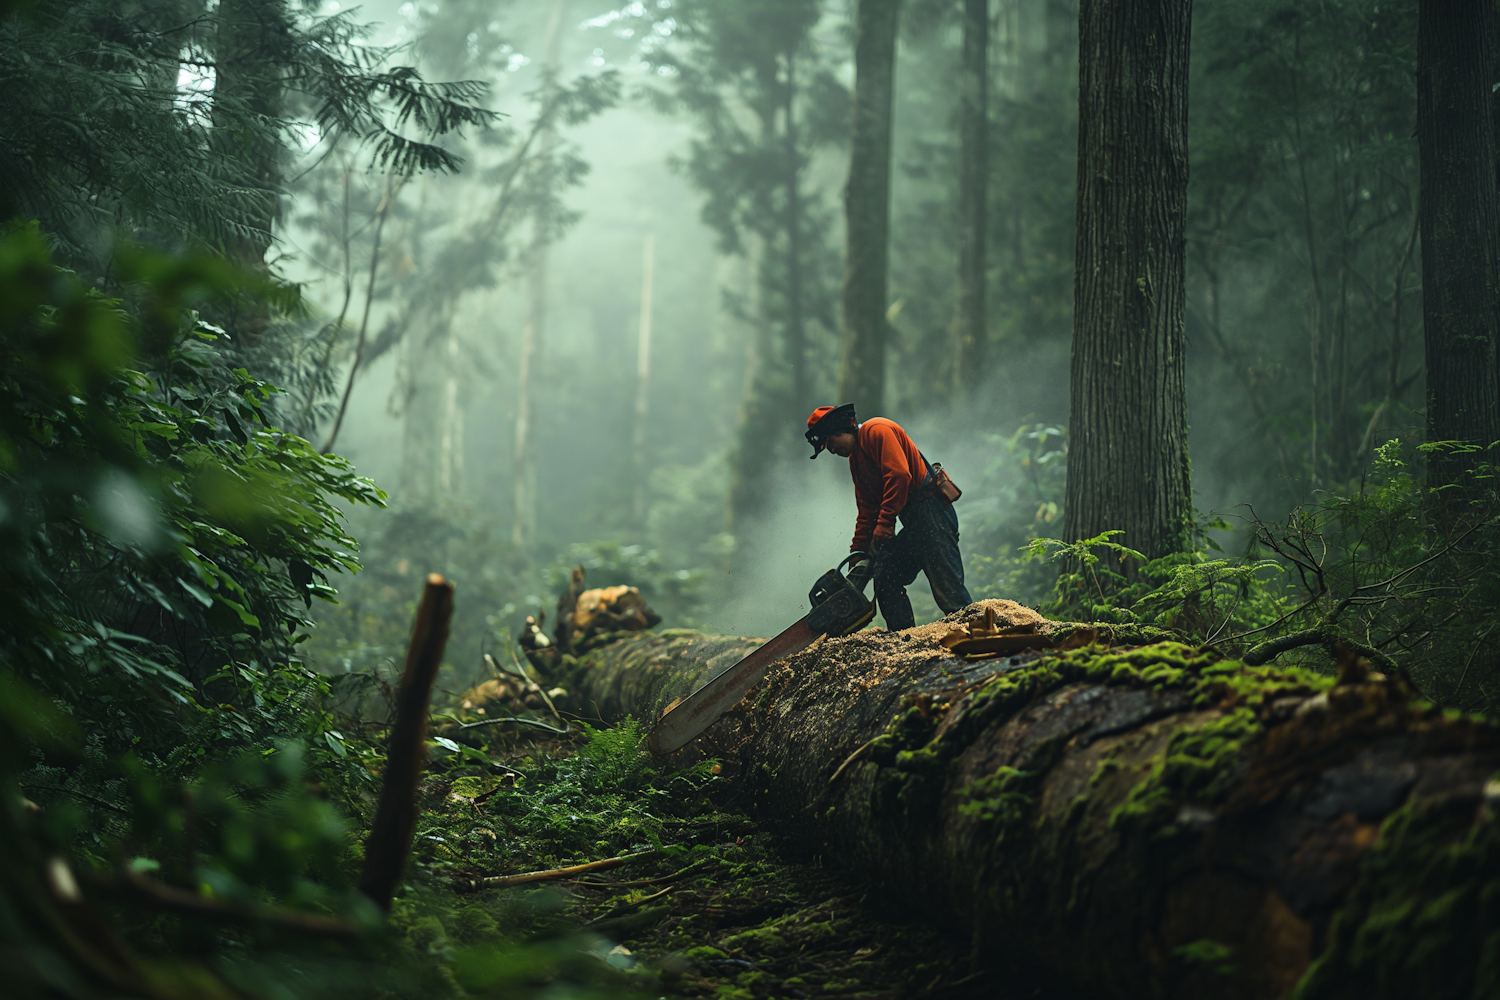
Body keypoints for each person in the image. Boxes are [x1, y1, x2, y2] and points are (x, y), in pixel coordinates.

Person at [805, 403, 973, 630]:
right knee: (886, 571)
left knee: (948, 590)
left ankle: (974, 635)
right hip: (913, 520)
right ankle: (902, 638)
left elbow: (900, 475)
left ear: (838, 431)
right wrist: (858, 552)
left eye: (830, 444)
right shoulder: (856, 460)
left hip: (932, 512)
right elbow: (867, 508)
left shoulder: (877, 430)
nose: (832, 451)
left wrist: (886, 524)